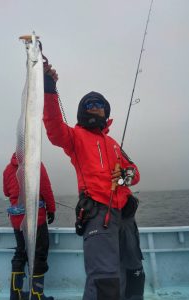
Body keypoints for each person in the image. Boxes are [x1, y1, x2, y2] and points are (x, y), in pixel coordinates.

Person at [43, 63, 145, 300]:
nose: (95, 108)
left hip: (126, 216)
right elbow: (54, 128)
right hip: (99, 214)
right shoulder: (75, 137)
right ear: (83, 111)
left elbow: (135, 172)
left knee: (134, 272)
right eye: (90, 105)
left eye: (100, 104)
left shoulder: (113, 144)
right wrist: (49, 88)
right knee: (105, 280)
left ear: (106, 111)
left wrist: (123, 178)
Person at [3, 153, 56, 300]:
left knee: (20, 253)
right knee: (39, 253)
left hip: (16, 220)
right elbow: (45, 189)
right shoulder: (36, 165)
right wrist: (51, 209)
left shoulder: (7, 169)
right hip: (35, 219)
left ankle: (16, 294)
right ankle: (37, 295)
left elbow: (6, 192)